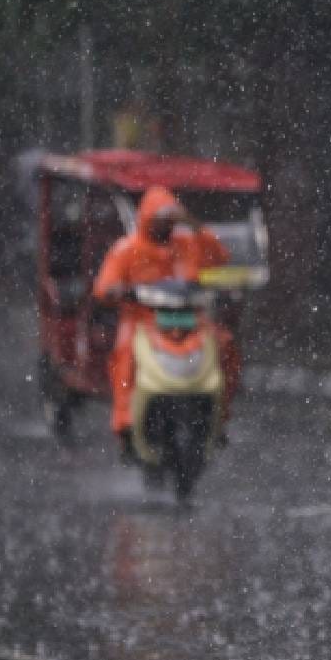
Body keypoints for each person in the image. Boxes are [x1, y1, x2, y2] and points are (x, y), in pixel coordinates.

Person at [92, 185, 240, 460]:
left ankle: (219, 416)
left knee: (224, 345)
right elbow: (104, 286)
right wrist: (118, 291)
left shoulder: (187, 243)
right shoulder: (127, 249)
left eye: (171, 220)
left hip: (191, 319)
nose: (166, 226)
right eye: (161, 220)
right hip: (143, 320)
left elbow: (220, 257)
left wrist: (194, 225)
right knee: (125, 355)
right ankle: (125, 424)